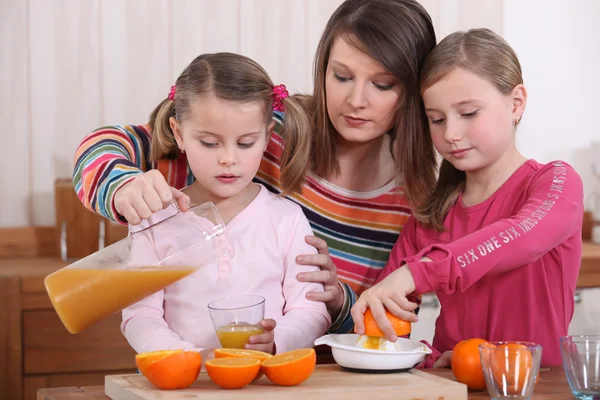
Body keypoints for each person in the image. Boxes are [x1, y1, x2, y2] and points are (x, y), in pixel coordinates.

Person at [72, 0, 437, 331]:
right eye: (341, 76)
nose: (356, 99)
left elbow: (391, 326)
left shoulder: (415, 203)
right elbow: (101, 147)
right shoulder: (265, 134)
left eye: (383, 84)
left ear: (415, 91)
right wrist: (121, 187)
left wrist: (339, 302)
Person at [351, 28, 584, 367]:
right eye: (437, 119)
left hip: (539, 388)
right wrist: (430, 361)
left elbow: (523, 235)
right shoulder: (429, 218)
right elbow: (383, 328)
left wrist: (419, 272)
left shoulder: (556, 182)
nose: (451, 134)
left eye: (469, 113)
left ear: (516, 102)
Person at [120, 52, 331, 360]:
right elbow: (140, 316)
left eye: (245, 143)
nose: (228, 158)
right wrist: (190, 357)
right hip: (181, 385)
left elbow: (311, 309)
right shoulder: (153, 220)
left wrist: (278, 341)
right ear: (179, 134)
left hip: (265, 386)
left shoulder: (287, 220)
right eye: (210, 143)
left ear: (267, 136)